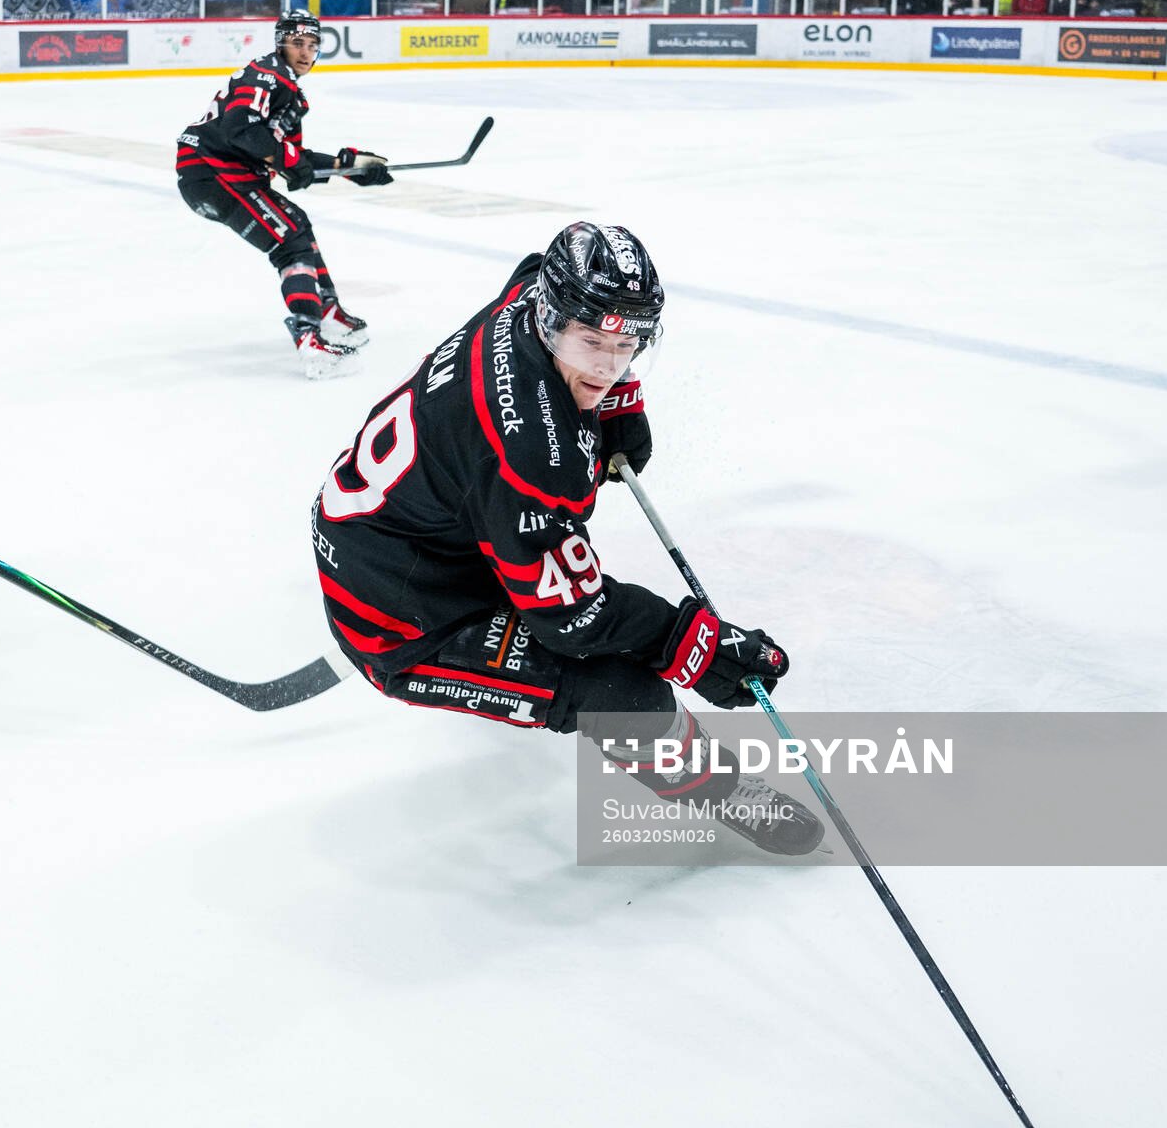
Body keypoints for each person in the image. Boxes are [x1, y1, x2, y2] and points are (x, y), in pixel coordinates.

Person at [308, 224, 823, 856]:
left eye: (627, 343)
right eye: (589, 343)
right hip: (401, 614)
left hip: (425, 534)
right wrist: (692, 644)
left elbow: (541, 278)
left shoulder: (533, 290)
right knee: (620, 693)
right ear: (552, 319)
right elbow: (573, 620)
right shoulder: (531, 456)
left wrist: (615, 405)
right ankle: (717, 788)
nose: (607, 364)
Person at [175, 10, 393, 377]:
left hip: (228, 175)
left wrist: (350, 167)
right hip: (211, 172)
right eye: (297, 44)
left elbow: (290, 158)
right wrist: (290, 161)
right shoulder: (265, 75)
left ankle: (327, 312)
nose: (306, 53)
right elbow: (241, 130)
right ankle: (310, 340)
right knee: (290, 240)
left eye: (312, 45)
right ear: (281, 44)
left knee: (297, 226)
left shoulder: (290, 94)